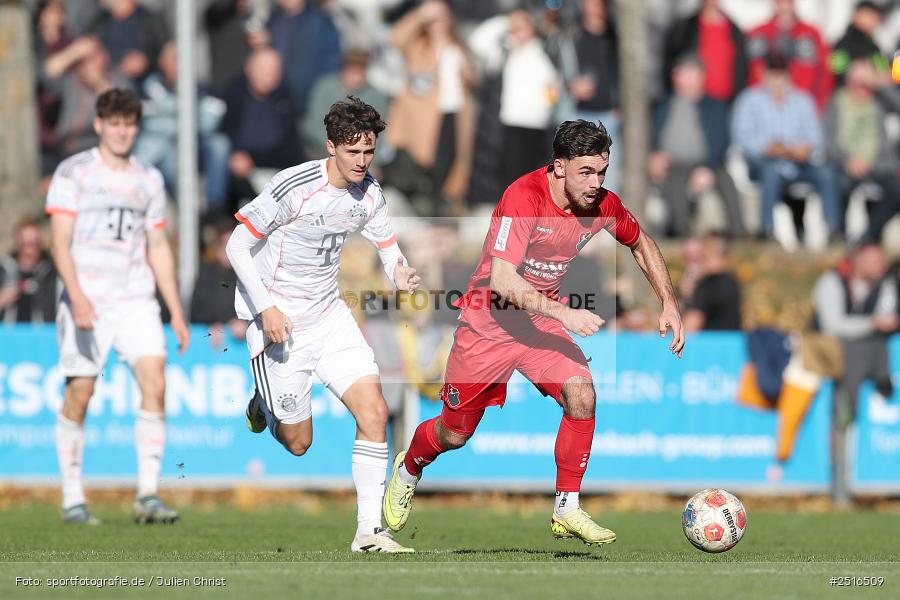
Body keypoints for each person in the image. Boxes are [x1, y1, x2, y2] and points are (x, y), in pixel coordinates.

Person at [383, 120, 685, 546]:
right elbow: (504, 281)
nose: (596, 183)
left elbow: (641, 243)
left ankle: (567, 506)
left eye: (601, 172)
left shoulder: (600, 203)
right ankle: (409, 468)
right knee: (455, 433)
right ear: (559, 167)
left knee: (582, 394)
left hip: (539, 324)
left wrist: (669, 303)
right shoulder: (523, 198)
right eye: (586, 172)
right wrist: (566, 314)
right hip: (488, 324)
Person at [225, 97, 421, 553]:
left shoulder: (369, 193)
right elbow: (236, 245)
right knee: (299, 443)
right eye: (353, 152)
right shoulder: (294, 186)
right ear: (331, 146)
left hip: (330, 317)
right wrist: (266, 308)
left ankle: (368, 533)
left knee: (374, 412)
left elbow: (388, 248)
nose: (362, 161)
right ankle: (263, 405)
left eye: (369, 151)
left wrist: (399, 272)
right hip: (278, 323)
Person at [46, 89, 190, 525]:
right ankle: (73, 497)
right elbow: (59, 241)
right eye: (115, 124)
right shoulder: (74, 172)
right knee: (81, 392)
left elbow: (157, 244)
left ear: (136, 128)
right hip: (87, 298)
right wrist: (77, 296)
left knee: (155, 382)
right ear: (99, 125)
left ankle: (147, 495)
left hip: (136, 298)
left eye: (129, 124)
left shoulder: (149, 178)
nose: (122, 132)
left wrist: (175, 310)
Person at [731, 54, 840, 240]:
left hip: (799, 163)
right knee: (771, 171)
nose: (777, 80)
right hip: (762, 163)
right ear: (763, 74)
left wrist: (805, 149)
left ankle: (833, 227)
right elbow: (741, 138)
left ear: (788, 75)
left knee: (827, 173)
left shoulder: (803, 100)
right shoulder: (749, 100)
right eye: (773, 74)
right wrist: (768, 148)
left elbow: (816, 137)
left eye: (780, 74)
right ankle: (767, 230)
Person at [649, 54, 746, 238]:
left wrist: (707, 169)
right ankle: (682, 236)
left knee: (727, 181)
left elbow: (722, 142)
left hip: (708, 163)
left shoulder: (715, 106)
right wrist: (653, 156)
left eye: (688, 72)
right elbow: (649, 135)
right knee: (676, 183)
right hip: (673, 163)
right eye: (679, 73)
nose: (681, 77)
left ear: (701, 76)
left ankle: (739, 236)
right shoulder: (663, 105)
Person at [825, 59, 900, 243]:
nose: (861, 87)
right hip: (846, 164)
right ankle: (839, 234)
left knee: (897, 191)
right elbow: (828, 141)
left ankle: (868, 237)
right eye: (857, 82)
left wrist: (879, 85)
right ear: (848, 81)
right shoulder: (836, 101)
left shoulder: (878, 100)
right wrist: (848, 160)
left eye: (865, 83)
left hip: (879, 164)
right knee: (839, 186)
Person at [746, 0, 833, 112]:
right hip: (764, 107)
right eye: (780, 2)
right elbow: (750, 72)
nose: (784, 6)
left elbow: (825, 71)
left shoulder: (810, 34)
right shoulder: (759, 33)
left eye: (788, 2)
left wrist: (818, 104)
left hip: (801, 106)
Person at [662, 0, 747, 103]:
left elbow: (742, 68)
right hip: (692, 102)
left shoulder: (734, 30)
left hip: (727, 103)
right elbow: (671, 63)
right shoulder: (685, 29)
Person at [0, 218, 58, 324]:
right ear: (17, 243)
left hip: (45, 332)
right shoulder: (3, 269)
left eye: (34, 243)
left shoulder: (53, 271)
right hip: (7, 332)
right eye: (25, 244)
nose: (30, 249)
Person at [683, 234, 742, 331]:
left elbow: (692, 323)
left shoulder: (707, 284)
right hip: (731, 338)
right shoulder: (732, 282)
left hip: (709, 339)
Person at [830, 1, 891, 85]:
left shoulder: (874, 47)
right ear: (857, 15)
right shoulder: (844, 43)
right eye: (869, 15)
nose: (873, 20)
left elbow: (884, 72)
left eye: (876, 17)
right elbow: (836, 70)